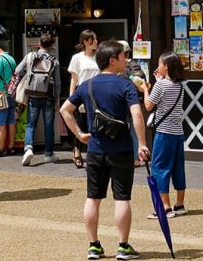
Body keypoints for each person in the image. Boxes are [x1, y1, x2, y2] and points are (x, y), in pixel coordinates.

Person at [61, 40, 149, 261]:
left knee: (93, 197)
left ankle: (93, 246)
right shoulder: (126, 85)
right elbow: (137, 115)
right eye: (122, 57)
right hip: (121, 149)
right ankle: (123, 246)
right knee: (122, 198)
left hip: (95, 149)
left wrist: (80, 135)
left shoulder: (87, 85)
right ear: (112, 60)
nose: (126, 60)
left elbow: (65, 110)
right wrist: (143, 143)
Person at [143, 52, 186, 217]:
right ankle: (179, 204)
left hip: (164, 133)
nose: (158, 66)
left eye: (160, 64)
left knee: (159, 168)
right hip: (177, 132)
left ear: (166, 66)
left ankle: (165, 207)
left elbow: (148, 106)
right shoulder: (179, 85)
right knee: (177, 168)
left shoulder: (161, 86)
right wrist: (158, 81)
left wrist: (145, 90)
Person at [14, 32, 61, 167]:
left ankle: (28, 148)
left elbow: (17, 70)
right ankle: (48, 154)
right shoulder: (54, 60)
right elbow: (57, 82)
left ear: (39, 44)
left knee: (30, 124)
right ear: (52, 46)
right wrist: (57, 99)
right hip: (48, 97)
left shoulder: (30, 56)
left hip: (33, 95)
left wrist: (29, 74)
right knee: (48, 126)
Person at [68, 30, 100, 169]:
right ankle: (77, 150)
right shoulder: (77, 58)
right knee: (79, 123)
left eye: (96, 39)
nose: (96, 42)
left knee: (94, 122)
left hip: (97, 92)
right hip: (81, 91)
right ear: (85, 42)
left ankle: (94, 151)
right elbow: (74, 79)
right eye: (93, 40)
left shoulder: (99, 57)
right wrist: (71, 97)